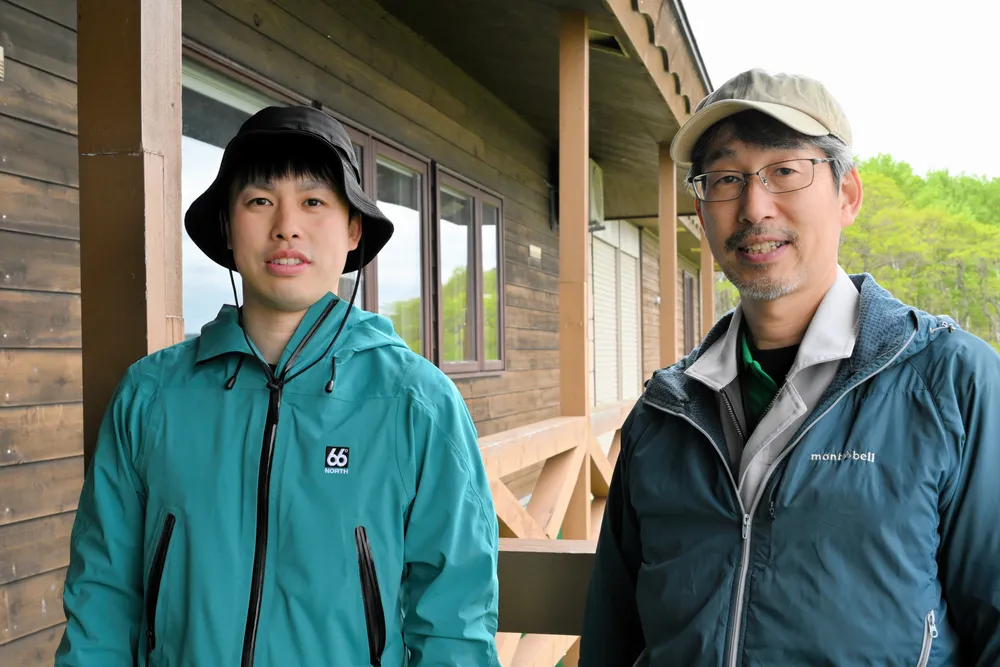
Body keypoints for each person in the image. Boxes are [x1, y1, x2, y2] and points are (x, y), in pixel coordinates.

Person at [579, 68, 1000, 666]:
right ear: (701, 211)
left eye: (784, 171)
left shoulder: (952, 383)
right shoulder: (664, 412)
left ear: (847, 194)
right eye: (727, 179)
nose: (754, 207)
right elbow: (613, 633)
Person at [56, 105, 501, 666]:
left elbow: (456, 624)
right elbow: (101, 597)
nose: (286, 225)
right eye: (260, 201)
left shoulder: (418, 403)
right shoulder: (151, 395)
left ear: (353, 230)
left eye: (313, 202)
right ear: (227, 226)